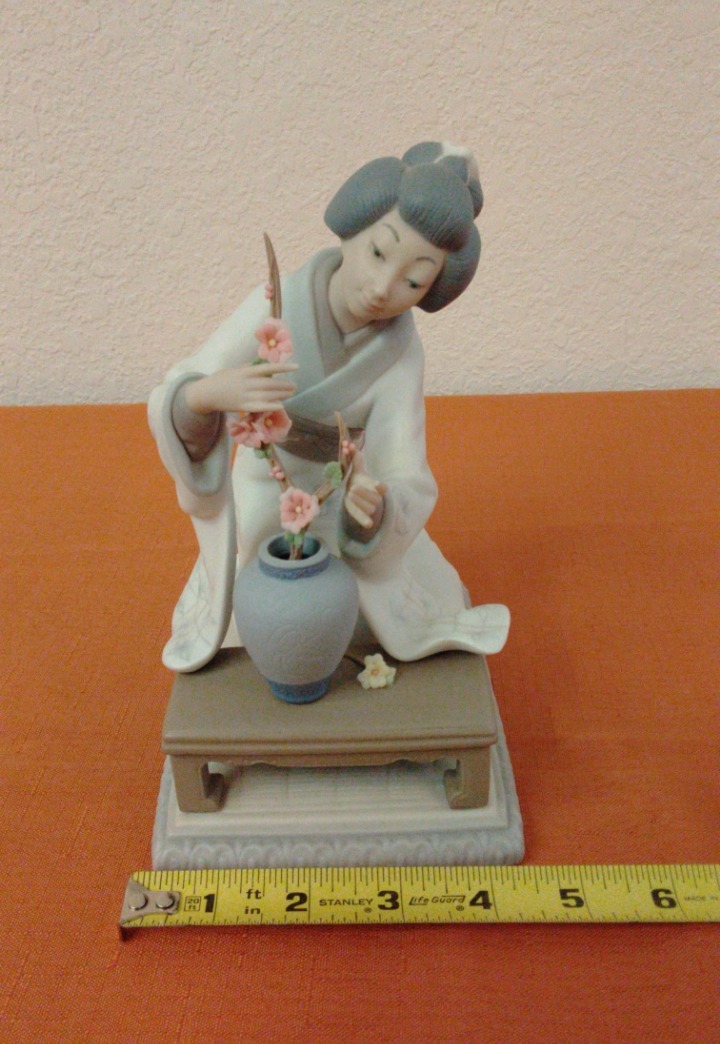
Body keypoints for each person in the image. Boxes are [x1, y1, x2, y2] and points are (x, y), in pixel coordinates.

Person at [149, 141, 510, 672]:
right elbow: (184, 382)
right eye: (379, 253)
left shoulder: (400, 355)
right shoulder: (278, 301)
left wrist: (375, 509)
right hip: (266, 485)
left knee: (378, 601)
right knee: (257, 596)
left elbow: (405, 469)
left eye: (414, 280)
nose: (383, 288)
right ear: (352, 229)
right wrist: (208, 396)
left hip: (341, 498)